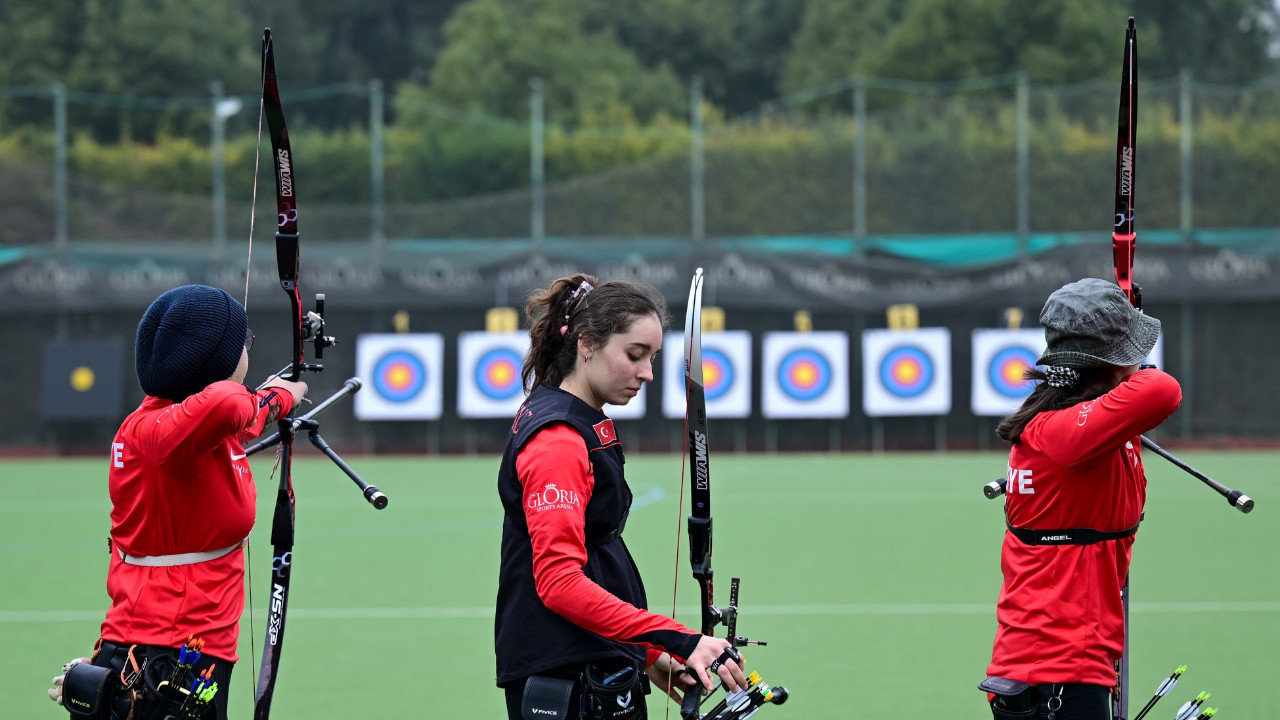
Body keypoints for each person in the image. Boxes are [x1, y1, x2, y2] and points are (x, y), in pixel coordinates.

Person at [495, 273, 748, 720]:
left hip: (594, 666)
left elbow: (595, 561)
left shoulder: (575, 417)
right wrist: (680, 639)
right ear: (587, 343)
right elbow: (560, 584)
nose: (647, 373)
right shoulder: (558, 439)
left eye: (652, 358)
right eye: (635, 355)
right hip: (568, 677)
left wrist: (651, 658)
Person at [49, 284, 307, 720]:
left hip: (184, 647)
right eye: (244, 343)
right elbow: (228, 404)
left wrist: (283, 394)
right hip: (168, 654)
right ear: (216, 361)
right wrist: (267, 398)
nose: (248, 350)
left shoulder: (183, 427)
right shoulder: (158, 433)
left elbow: (238, 419)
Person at [982, 278, 1183, 720]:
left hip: (1062, 664)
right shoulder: (1066, 435)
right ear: (1107, 364)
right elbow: (1162, 390)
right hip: (1056, 671)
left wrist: (1119, 340)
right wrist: (1126, 352)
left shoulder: (1083, 429)